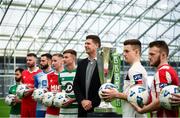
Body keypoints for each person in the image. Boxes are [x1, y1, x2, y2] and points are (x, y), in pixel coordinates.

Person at [131, 40, 179, 117]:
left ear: (163, 55)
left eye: (152, 54)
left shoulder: (162, 72)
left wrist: (143, 110)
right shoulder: (170, 70)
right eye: (149, 54)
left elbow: (160, 100)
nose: (149, 57)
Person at [101, 39, 148, 117]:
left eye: (127, 51)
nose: (124, 54)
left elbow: (136, 96)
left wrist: (116, 94)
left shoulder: (135, 69)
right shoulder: (135, 68)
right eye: (124, 51)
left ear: (136, 52)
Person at [73, 35, 101, 117]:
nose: (85, 45)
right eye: (85, 44)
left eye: (88, 43)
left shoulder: (104, 64)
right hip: (82, 108)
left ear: (97, 45)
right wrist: (82, 101)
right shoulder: (81, 63)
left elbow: (106, 86)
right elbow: (76, 84)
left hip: (97, 107)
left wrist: (92, 102)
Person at [21, 53, 42, 117]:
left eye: (30, 60)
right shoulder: (24, 72)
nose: (28, 62)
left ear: (35, 61)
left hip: (35, 103)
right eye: (27, 60)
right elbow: (21, 86)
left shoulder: (40, 73)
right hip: (24, 103)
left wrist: (32, 90)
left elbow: (42, 88)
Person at [59, 49, 78, 118]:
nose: (64, 59)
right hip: (63, 112)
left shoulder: (80, 72)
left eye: (66, 57)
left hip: (77, 111)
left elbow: (84, 93)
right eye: (63, 57)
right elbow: (60, 92)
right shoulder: (61, 74)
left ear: (73, 58)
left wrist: (73, 100)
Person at [34, 53, 53, 117]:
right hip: (40, 108)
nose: (41, 63)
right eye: (40, 61)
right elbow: (35, 89)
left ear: (50, 61)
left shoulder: (56, 74)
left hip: (52, 107)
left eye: (43, 61)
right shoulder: (37, 76)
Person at [45, 53, 64, 118]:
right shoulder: (48, 76)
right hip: (50, 111)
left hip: (63, 111)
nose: (53, 63)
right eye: (52, 61)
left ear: (62, 61)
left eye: (55, 61)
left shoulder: (67, 74)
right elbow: (46, 91)